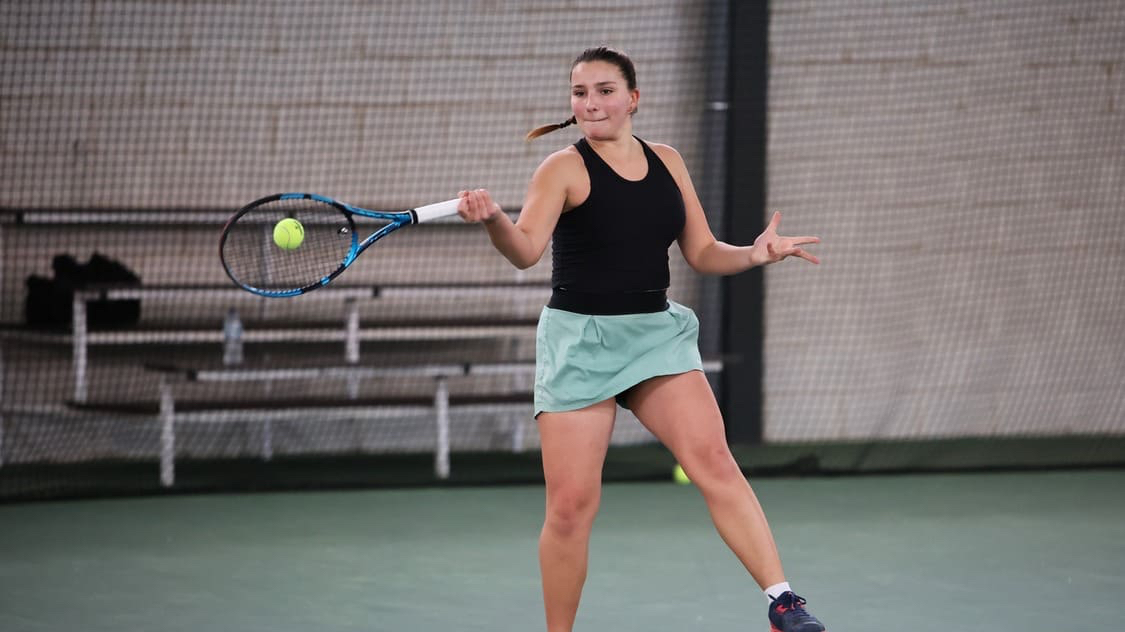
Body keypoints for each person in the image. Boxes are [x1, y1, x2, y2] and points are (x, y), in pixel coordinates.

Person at [456, 46, 827, 632]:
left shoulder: (668, 161)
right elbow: (526, 251)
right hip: (580, 343)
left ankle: (783, 602)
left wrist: (755, 253)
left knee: (714, 461)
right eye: (580, 92)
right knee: (572, 509)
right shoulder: (561, 168)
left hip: (656, 336)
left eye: (604, 90)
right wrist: (495, 219)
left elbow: (702, 252)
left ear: (633, 98)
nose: (591, 102)